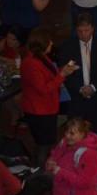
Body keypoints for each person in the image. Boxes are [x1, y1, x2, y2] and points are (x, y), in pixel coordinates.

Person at [20, 27, 78, 166]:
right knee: (44, 145)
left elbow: (49, 76)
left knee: (45, 143)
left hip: (46, 107)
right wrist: (62, 75)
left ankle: (38, 167)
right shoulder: (31, 64)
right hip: (39, 111)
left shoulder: (40, 57)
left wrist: (63, 71)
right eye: (49, 41)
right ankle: (40, 171)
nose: (52, 43)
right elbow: (44, 89)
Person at [57, 13, 97, 138]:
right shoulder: (67, 47)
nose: (83, 34)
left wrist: (93, 87)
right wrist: (80, 88)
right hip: (76, 99)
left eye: (86, 30)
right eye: (80, 31)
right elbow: (65, 73)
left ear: (92, 28)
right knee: (75, 135)